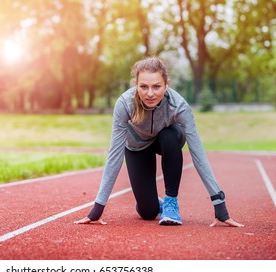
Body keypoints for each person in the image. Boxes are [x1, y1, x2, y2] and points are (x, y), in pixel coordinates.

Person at [74, 56, 243, 227]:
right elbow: (115, 155)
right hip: (137, 146)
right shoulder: (124, 104)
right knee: (148, 212)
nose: (150, 93)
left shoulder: (179, 105)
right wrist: (98, 207)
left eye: (156, 86)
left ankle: (171, 203)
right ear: (135, 84)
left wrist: (219, 204)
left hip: (168, 139)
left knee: (169, 135)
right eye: (144, 87)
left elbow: (198, 152)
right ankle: (154, 201)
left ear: (166, 84)